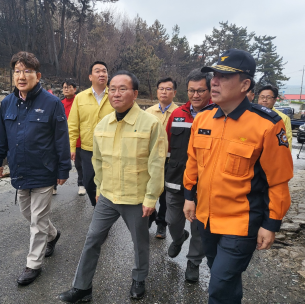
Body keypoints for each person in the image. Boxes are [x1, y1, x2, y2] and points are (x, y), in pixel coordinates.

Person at [183, 49, 293, 304]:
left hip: (241, 223)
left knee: (219, 284)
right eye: (214, 76)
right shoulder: (203, 118)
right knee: (223, 279)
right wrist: (189, 196)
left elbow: (278, 180)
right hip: (207, 218)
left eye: (224, 77)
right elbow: (193, 163)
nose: (215, 82)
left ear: (245, 85)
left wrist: (271, 223)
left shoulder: (266, 125)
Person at [59, 70, 167, 303]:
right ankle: (82, 287)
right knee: (92, 239)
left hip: (136, 197)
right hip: (107, 196)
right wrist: (98, 188)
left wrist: (151, 198)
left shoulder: (151, 124)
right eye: (113, 89)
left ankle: (139, 278)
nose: (116, 94)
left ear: (135, 93)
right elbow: (98, 161)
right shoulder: (103, 125)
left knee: (139, 243)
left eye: (122, 89)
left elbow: (157, 164)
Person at [0, 52, 71, 286]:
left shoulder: (52, 103)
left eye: (27, 71)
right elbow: (2, 136)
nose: (21, 76)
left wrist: (63, 169)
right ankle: (53, 235)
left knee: (37, 220)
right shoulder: (7, 102)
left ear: (38, 75)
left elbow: (61, 138)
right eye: (17, 71)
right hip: (19, 170)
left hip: (44, 170)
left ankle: (33, 265)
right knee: (28, 214)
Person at [164, 69, 211, 282]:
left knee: (199, 225)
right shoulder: (177, 114)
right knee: (172, 219)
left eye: (201, 90)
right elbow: (166, 145)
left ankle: (193, 262)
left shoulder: (217, 115)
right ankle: (178, 237)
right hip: (175, 177)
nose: (195, 95)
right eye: (191, 90)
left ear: (210, 90)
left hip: (204, 183)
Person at [67, 61, 114, 207]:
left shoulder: (114, 95)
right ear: (90, 76)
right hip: (88, 149)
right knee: (88, 181)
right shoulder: (80, 98)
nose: (102, 74)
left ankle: (104, 212)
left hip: (111, 149)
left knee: (108, 182)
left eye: (104, 71)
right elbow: (73, 125)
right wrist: (72, 147)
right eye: (97, 71)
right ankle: (98, 207)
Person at [145, 77, 178, 239]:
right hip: (150, 159)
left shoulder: (179, 113)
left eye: (168, 89)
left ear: (174, 92)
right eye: (161, 89)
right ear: (157, 91)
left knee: (165, 195)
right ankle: (151, 215)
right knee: (147, 189)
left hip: (170, 161)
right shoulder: (148, 112)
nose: (164, 92)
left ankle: (161, 224)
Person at [61, 78, 86, 196]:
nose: (66, 89)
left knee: (79, 164)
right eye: (64, 87)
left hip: (78, 138)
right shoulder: (60, 104)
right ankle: (53, 184)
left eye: (69, 87)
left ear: (74, 89)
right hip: (63, 137)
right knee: (57, 160)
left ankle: (81, 184)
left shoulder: (80, 102)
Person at [257, 85, 292, 151]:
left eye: (268, 97)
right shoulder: (250, 113)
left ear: (275, 100)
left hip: (271, 152)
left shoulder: (282, 118)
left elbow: (287, 139)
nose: (264, 100)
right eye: (262, 97)